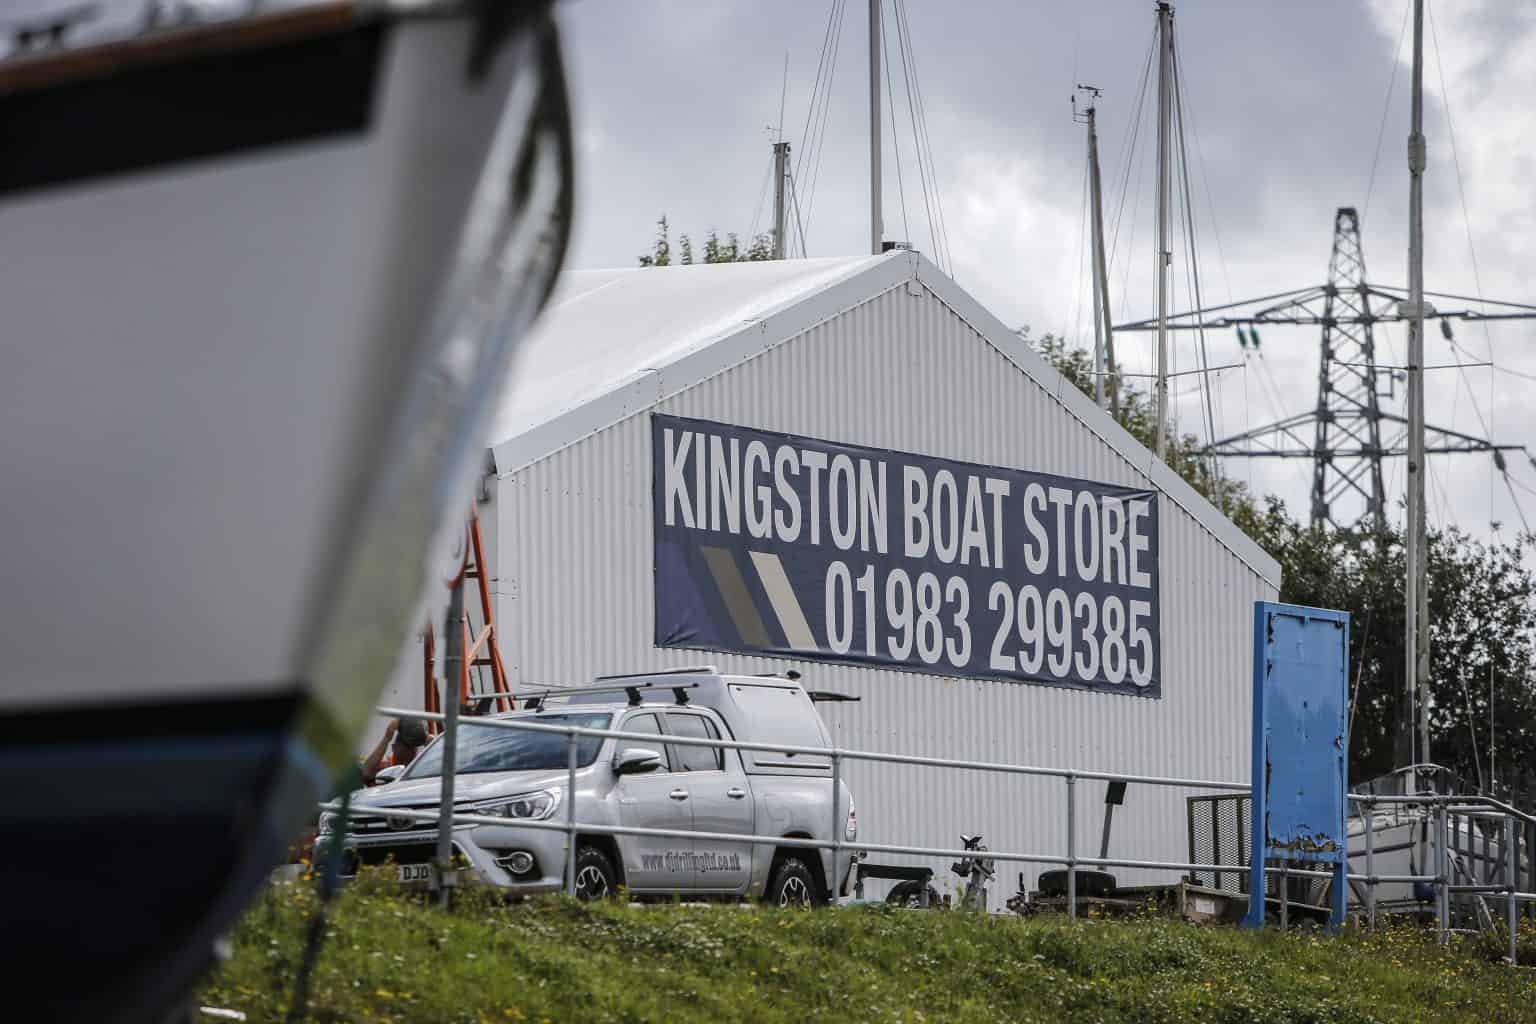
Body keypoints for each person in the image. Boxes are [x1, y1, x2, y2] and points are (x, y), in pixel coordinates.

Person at [361, 717, 428, 786]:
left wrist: (429, 742)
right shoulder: (386, 770)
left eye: (412, 747)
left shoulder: (421, 771)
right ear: (394, 747)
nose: (409, 751)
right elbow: (366, 774)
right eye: (406, 746)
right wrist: (387, 738)